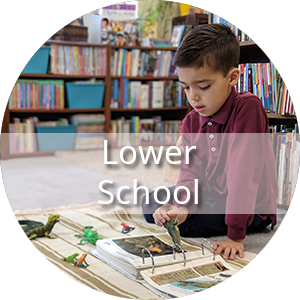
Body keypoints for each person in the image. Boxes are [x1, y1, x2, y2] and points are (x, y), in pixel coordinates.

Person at [141, 23, 278, 260]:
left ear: (232, 77)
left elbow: (243, 175)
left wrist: (235, 235)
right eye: (185, 87)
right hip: (213, 193)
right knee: (151, 204)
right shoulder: (192, 121)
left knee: (190, 225)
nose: (193, 97)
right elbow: (190, 172)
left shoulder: (248, 108)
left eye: (203, 86)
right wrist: (181, 207)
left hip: (252, 207)